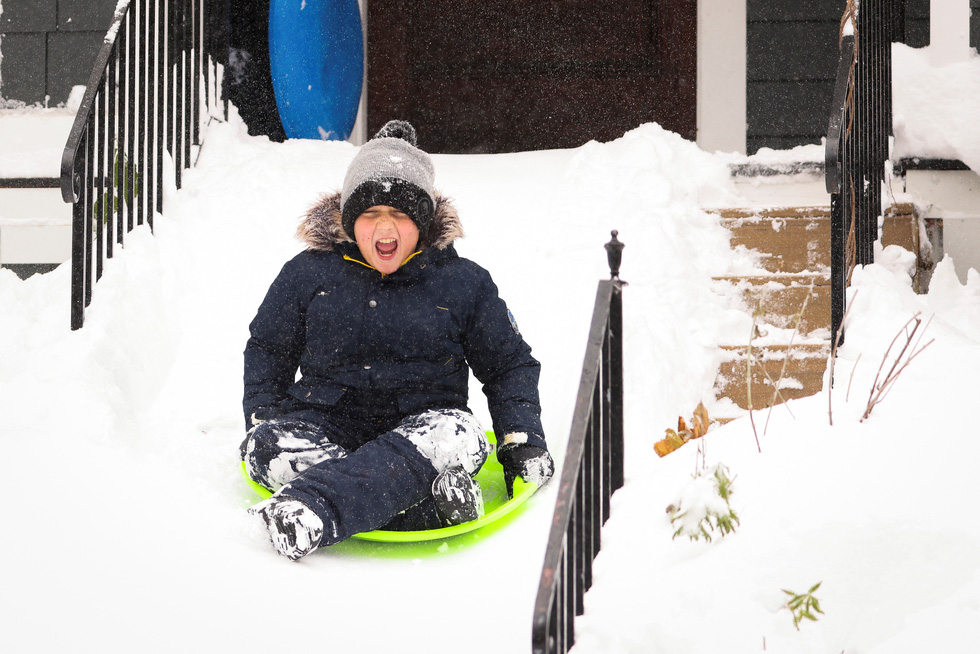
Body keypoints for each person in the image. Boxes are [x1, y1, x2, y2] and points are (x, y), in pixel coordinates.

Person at [241, 120, 554, 561]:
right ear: (351, 220)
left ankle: (313, 506)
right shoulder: (309, 273)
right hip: (326, 421)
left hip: (423, 429)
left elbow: (508, 365)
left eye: (400, 215)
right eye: (370, 214)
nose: (384, 230)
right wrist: (265, 415)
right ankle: (428, 510)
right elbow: (269, 347)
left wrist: (522, 441)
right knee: (265, 447)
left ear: (422, 223)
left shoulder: (463, 283)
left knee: (461, 438)